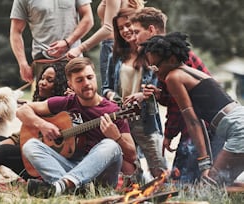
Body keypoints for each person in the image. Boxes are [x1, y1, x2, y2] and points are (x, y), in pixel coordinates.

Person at [17, 57, 137, 198]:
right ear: (70, 84)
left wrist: (117, 137)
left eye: (89, 77)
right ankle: (70, 188)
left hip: (100, 177)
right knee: (30, 145)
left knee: (110, 145)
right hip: (71, 167)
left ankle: (62, 186)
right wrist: (42, 125)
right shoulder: (66, 102)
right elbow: (22, 110)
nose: (86, 83)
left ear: (95, 77)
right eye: (79, 80)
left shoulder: (113, 110)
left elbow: (132, 155)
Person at [141, 31, 244, 186]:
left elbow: (193, 122)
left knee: (210, 186)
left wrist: (204, 164)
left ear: (172, 59)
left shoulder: (173, 77)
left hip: (238, 129)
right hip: (239, 119)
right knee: (223, 184)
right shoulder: (190, 72)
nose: (154, 72)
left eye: (155, 66)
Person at [131, 7, 211, 183]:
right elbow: (171, 98)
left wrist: (168, 135)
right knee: (182, 180)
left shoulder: (171, 55)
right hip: (193, 125)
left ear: (151, 29)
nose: (134, 37)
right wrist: (158, 95)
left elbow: (178, 105)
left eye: (137, 32)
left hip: (204, 126)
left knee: (184, 182)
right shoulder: (162, 55)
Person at [102, 8, 167, 180]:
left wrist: (142, 95)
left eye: (129, 25)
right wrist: (113, 97)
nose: (125, 30)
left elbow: (158, 87)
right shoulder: (114, 56)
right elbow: (105, 88)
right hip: (122, 118)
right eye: (120, 27)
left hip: (146, 119)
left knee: (159, 169)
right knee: (131, 170)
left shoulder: (152, 54)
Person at [67, 0, 144, 90]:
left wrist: (80, 48)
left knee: (110, 88)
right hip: (119, 44)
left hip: (112, 45)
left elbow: (108, 28)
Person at [10, 0, 94, 83]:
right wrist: (22, 63)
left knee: (76, 96)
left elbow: (88, 18)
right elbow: (16, 32)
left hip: (73, 59)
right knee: (45, 97)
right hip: (43, 62)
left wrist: (68, 42)